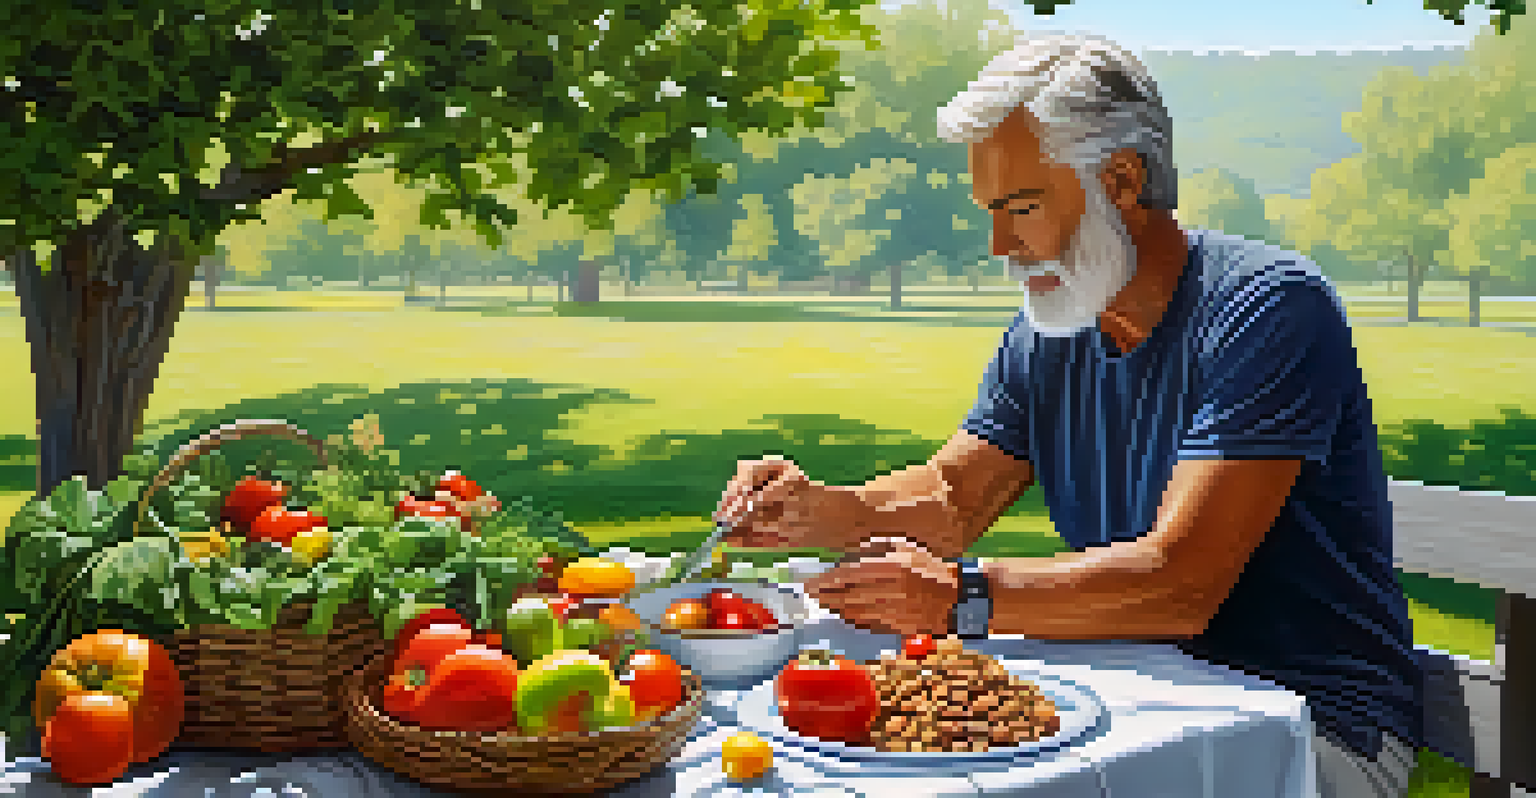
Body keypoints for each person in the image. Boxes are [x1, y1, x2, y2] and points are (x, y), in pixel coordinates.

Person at [713, 33, 1423, 798]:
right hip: (1144, 691)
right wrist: (820, 511)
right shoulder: (1057, 325)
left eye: (1021, 207)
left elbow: (1181, 583)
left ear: (1121, 180)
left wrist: (963, 598)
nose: (998, 245)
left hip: (1303, 726)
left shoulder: (1266, 306)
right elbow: (955, 497)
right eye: (991, 211)